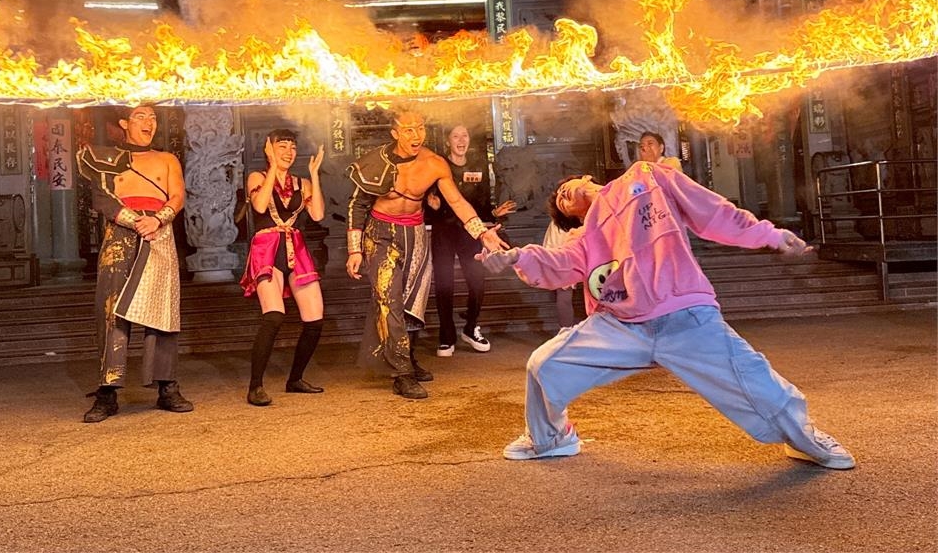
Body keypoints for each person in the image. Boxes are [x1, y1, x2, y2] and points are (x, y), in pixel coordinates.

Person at [478, 162, 855, 469]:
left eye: (565, 188)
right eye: (561, 204)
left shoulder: (647, 176)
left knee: (754, 377)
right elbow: (557, 263)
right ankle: (551, 439)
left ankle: (804, 438)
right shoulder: (585, 238)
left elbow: (711, 211)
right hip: (622, 326)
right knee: (544, 364)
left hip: (684, 313)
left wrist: (768, 235)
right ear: (571, 217)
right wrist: (516, 257)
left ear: (587, 178)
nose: (563, 196)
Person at [346, 106, 506, 400]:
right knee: (388, 301)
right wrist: (354, 249)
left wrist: (482, 232)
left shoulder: (434, 164)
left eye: (419, 128)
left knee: (412, 300)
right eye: (408, 130)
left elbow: (457, 202)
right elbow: (358, 205)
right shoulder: (376, 161)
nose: (416, 135)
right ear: (395, 133)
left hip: (416, 234)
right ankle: (401, 374)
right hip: (381, 235)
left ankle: (407, 358)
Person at [75, 104, 193, 423]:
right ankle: (107, 392)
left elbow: (177, 196)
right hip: (120, 234)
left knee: (163, 309)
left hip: (159, 233)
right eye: (141, 116)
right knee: (111, 309)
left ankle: (167, 387)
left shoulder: (167, 159)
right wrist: (134, 221)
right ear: (124, 123)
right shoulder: (105, 158)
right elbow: (101, 197)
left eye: (152, 117)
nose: (148, 122)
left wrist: (158, 219)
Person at [240, 129, 327, 406]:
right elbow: (260, 205)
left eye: (292, 147)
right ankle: (255, 386)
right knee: (274, 316)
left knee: (314, 319)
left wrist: (314, 175)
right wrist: (272, 168)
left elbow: (318, 214)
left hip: (296, 249)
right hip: (267, 249)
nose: (289, 152)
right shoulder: (257, 177)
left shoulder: (302, 183)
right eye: (282, 146)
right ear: (269, 149)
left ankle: (295, 379)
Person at [426, 124, 517, 356]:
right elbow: (429, 204)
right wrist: (433, 208)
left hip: (470, 233)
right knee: (444, 283)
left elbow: (482, 205)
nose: (461, 140)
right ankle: (446, 336)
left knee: (477, 281)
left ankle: (471, 327)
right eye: (455, 136)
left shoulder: (478, 166)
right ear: (448, 141)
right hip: (443, 232)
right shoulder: (439, 166)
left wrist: (494, 214)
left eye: (464, 135)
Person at [541, 219, 581, 330]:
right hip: (567, 260)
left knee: (565, 295)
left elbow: (549, 245)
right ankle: (567, 330)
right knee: (565, 295)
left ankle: (567, 331)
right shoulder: (558, 222)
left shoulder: (558, 221)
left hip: (567, 260)